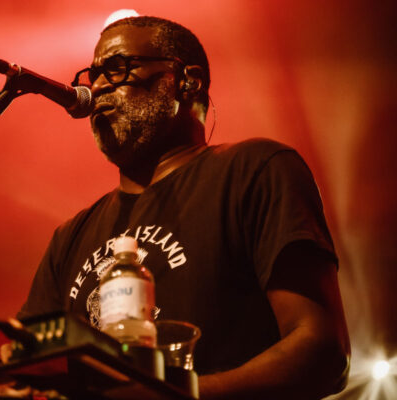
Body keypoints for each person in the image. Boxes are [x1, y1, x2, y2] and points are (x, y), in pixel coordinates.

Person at [17, 16, 350, 399]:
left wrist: (174, 396)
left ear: (188, 81)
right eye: (94, 75)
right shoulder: (69, 237)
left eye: (118, 67)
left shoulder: (256, 170)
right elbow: (26, 368)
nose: (100, 86)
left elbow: (322, 353)